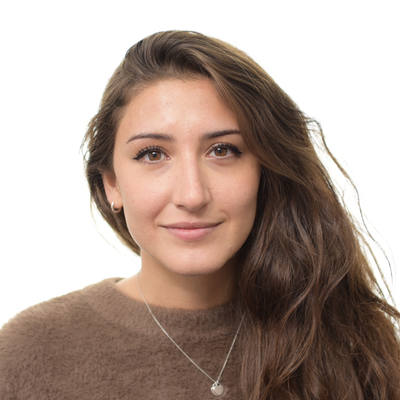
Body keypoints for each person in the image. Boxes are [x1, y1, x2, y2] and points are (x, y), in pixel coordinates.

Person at [0, 30, 399, 400]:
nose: (192, 195)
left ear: (264, 170)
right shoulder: (27, 356)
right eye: (153, 154)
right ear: (112, 184)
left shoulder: (356, 347)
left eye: (222, 151)